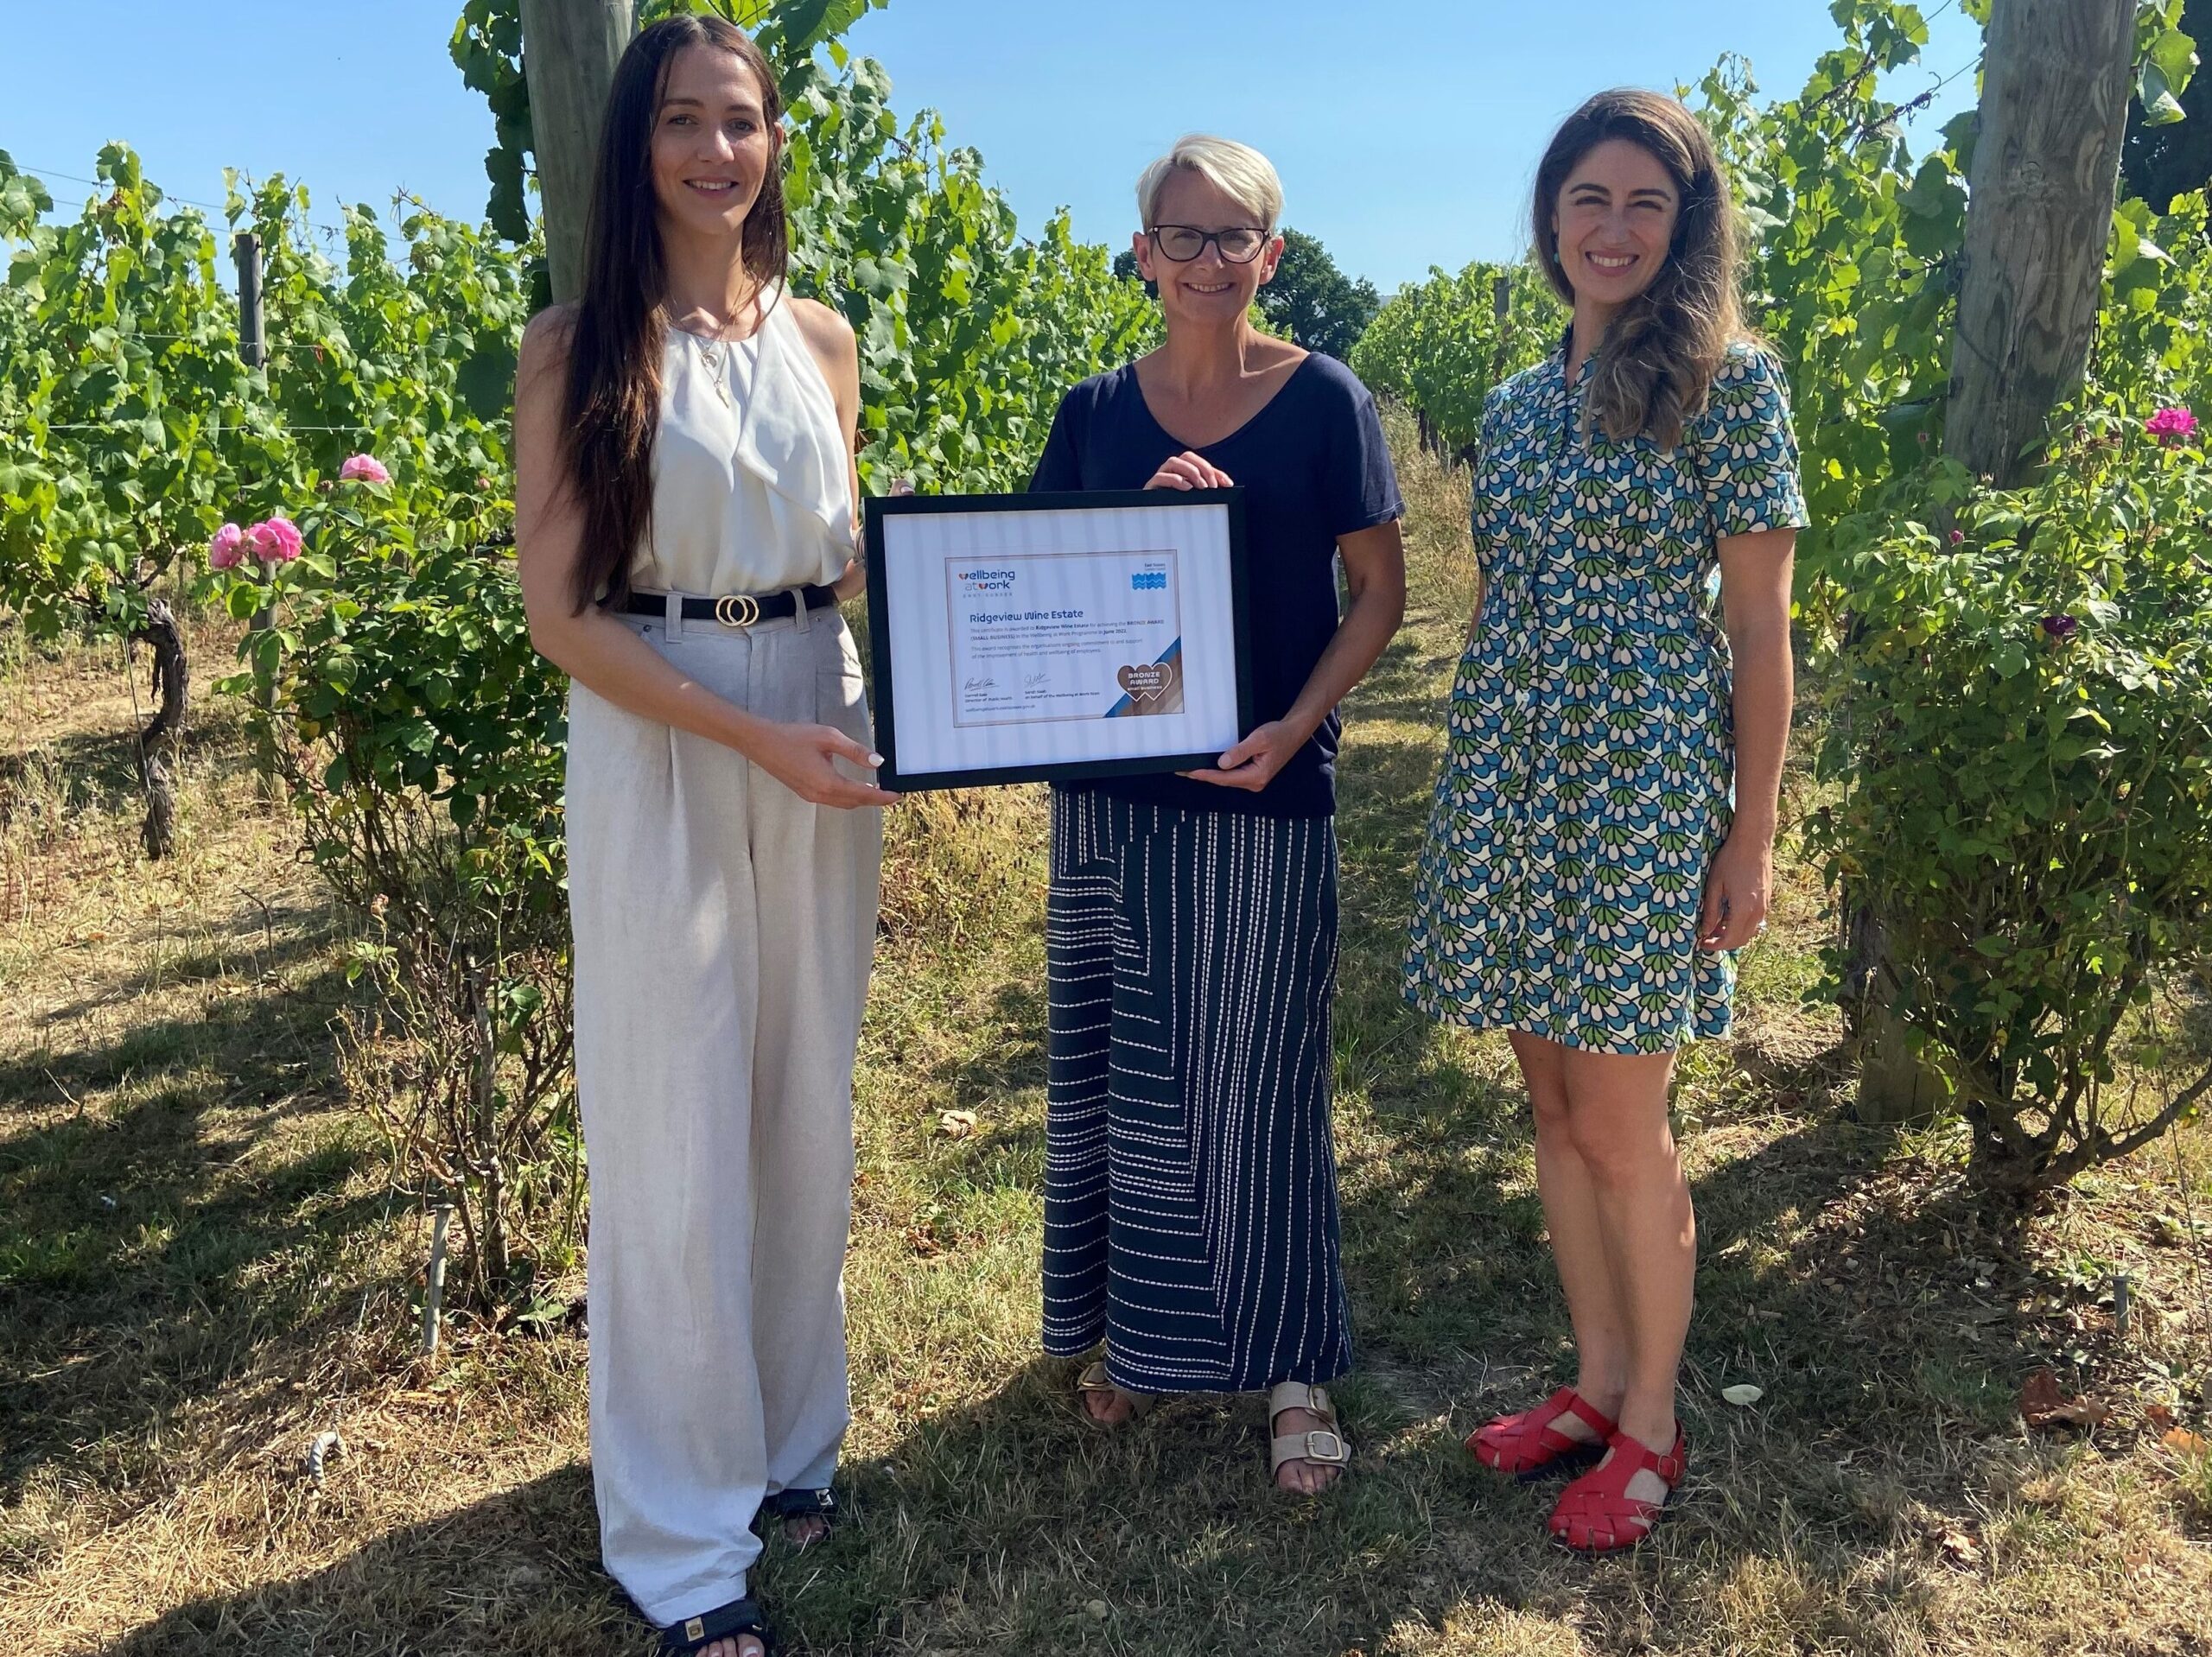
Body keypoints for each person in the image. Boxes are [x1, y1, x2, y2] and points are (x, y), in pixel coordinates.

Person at [512, 17, 894, 1655]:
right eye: (683, 122)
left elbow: (854, 561)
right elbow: (560, 616)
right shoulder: (574, 347)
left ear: (774, 142)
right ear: (636, 147)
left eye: (741, 121)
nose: (716, 152)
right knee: (671, 1120)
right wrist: (751, 733)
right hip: (668, 724)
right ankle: (678, 1535)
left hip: (822, 699)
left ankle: (790, 1444)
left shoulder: (823, 335)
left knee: (806, 1089)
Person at [1404, 88, 1805, 1552]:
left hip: (1640, 785)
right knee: (1556, 1112)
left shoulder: (1730, 384)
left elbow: (1761, 630)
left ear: (1686, 223)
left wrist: (1748, 834)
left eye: (1647, 202)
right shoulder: (1510, 407)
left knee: (1628, 1126)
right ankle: (1589, 1382)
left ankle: (1653, 1421)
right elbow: (1508, 596)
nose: (1614, 228)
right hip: (1514, 772)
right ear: (1550, 218)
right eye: (1590, 199)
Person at [1028, 135, 1406, 1495]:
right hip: (1113, 796)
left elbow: (1379, 593)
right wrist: (1129, 518)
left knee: (1257, 1071)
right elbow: (1042, 592)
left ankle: (1292, 1362)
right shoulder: (1093, 415)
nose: (1203, 260)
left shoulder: (1325, 402)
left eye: (1230, 235)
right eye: (1177, 236)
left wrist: (1298, 723)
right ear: (1143, 255)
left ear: (1272, 253)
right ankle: (1140, 1334)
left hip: (1266, 785)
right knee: (1126, 1066)